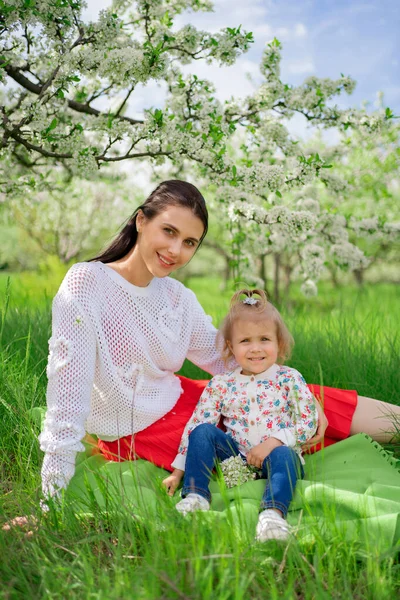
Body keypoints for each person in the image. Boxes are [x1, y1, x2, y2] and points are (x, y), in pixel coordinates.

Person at [37, 179, 399, 502]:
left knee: (300, 400)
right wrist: (49, 501)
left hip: (189, 399)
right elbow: (66, 398)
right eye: (169, 231)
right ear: (141, 221)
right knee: (262, 442)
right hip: (143, 431)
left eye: (190, 242)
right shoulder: (86, 283)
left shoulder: (178, 297)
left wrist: (297, 394)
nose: (176, 250)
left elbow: (228, 360)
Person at [166, 289, 318, 541]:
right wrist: (177, 471)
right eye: (245, 341)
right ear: (231, 346)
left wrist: (274, 441)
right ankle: (196, 496)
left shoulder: (288, 378)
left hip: (279, 462)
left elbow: (308, 422)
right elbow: (198, 424)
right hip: (238, 466)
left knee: (284, 455)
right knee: (202, 431)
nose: (255, 348)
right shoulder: (222, 384)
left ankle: (272, 516)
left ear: (278, 343)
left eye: (264, 339)